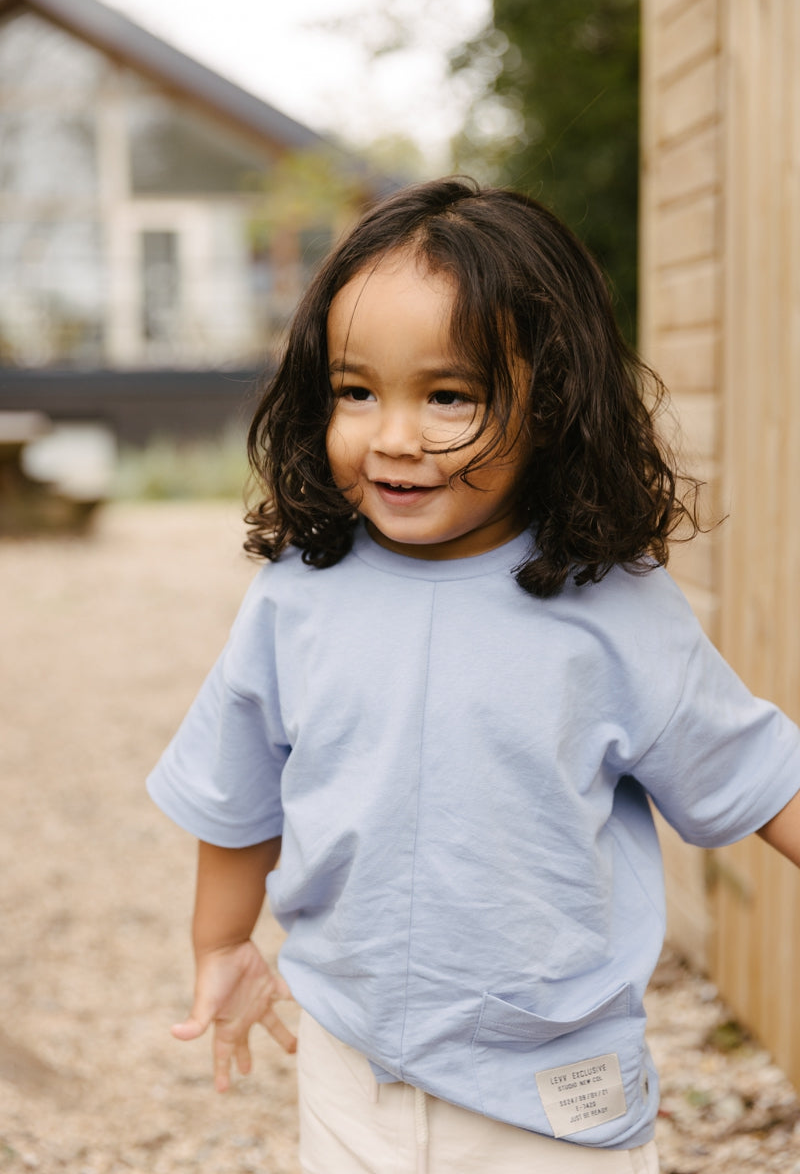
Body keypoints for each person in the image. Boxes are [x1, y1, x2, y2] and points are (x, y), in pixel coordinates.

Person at [147, 178, 800, 1173]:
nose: (394, 435)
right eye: (356, 391)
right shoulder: (298, 599)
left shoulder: (610, 608)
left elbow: (754, 771)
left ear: (553, 402)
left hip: (553, 1090)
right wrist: (221, 945)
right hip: (351, 1060)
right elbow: (237, 793)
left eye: (447, 394)